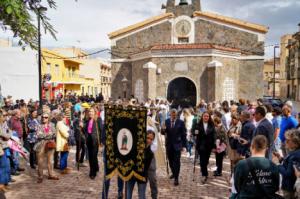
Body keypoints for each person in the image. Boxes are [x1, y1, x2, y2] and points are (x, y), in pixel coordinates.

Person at [126, 130, 155, 199]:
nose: (149, 140)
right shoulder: (136, 146)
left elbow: (146, 167)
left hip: (142, 176)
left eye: (151, 139)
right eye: (148, 138)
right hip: (131, 174)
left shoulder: (150, 153)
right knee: (128, 195)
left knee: (142, 196)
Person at [162, 109, 186, 186]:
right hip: (169, 145)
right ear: (170, 114)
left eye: (175, 114)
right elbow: (163, 133)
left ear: (176, 115)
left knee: (177, 161)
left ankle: (176, 178)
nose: (173, 115)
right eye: (172, 114)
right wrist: (163, 129)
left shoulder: (181, 122)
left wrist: (184, 145)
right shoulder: (167, 121)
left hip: (177, 145)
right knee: (171, 161)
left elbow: (183, 135)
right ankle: (174, 172)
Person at [273, 129, 300, 199]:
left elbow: (288, 173)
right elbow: (289, 165)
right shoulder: (294, 152)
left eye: (288, 141)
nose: (285, 142)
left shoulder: (295, 155)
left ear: (296, 143)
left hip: (290, 188)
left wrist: (278, 165)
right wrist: (280, 158)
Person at [34, 112, 59, 183]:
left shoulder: (52, 125)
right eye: (43, 117)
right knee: (40, 161)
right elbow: (38, 135)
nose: (44, 118)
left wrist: (45, 135)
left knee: (50, 161)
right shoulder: (38, 125)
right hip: (41, 144)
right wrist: (48, 135)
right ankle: (40, 176)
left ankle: (51, 174)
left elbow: (54, 134)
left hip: (50, 144)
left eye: (46, 117)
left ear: (49, 118)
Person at [195, 111, 216, 184]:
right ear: (202, 117)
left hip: (209, 146)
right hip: (201, 145)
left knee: (206, 160)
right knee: (202, 161)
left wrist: (214, 146)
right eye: (204, 116)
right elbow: (195, 133)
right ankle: (204, 174)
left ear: (209, 117)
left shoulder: (211, 125)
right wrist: (195, 132)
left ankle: (204, 170)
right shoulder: (198, 125)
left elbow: (214, 136)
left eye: (207, 116)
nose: (206, 117)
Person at [82, 107, 102, 179]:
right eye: (90, 111)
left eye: (92, 111)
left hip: (95, 141)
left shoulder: (98, 120)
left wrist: (102, 141)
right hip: (89, 141)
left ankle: (92, 172)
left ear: (95, 112)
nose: (90, 113)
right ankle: (96, 167)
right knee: (92, 156)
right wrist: (82, 127)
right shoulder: (87, 120)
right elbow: (85, 132)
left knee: (92, 157)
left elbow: (101, 130)